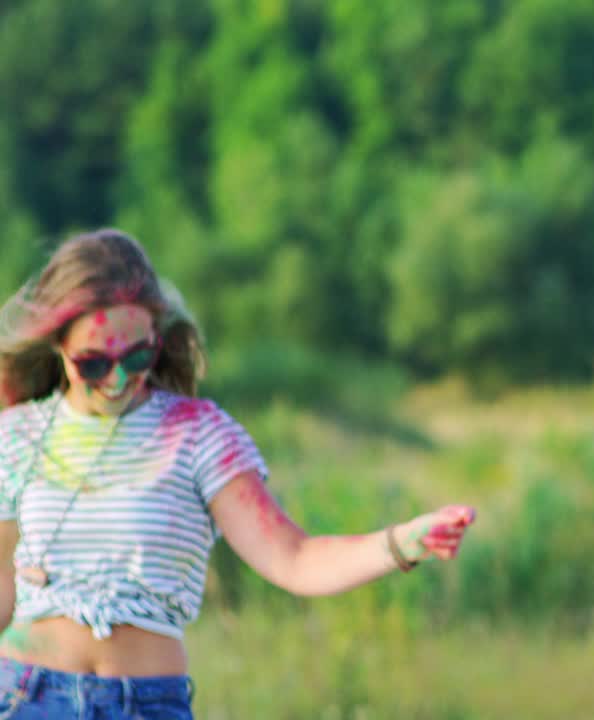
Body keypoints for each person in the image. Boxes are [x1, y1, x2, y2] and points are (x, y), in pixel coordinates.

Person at [0, 229, 476, 719]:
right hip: (28, 698)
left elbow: (295, 559)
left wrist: (400, 543)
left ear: (158, 340)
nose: (118, 379)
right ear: (57, 343)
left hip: (144, 704)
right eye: (94, 362)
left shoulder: (198, 435)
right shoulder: (16, 437)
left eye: (137, 357)